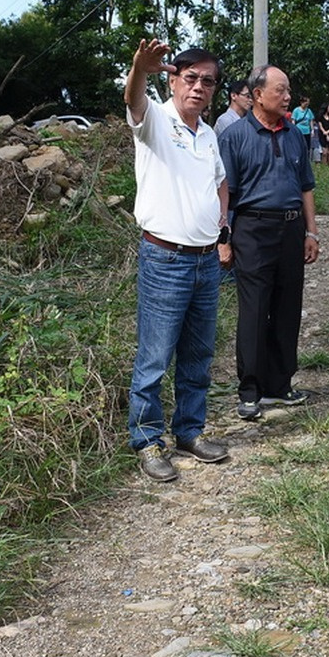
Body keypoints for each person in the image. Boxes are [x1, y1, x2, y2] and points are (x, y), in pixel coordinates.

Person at [124, 39, 232, 481]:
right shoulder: (154, 119)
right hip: (164, 258)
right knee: (154, 355)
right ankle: (148, 442)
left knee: (198, 353)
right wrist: (139, 70)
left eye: (208, 81)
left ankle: (190, 430)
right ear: (173, 80)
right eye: (191, 78)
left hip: (207, 261)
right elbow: (133, 100)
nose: (199, 87)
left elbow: (220, 182)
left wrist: (221, 223)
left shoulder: (207, 133)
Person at [218, 65, 320, 421]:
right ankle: (250, 389)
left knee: (288, 307)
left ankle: (280, 384)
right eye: (280, 90)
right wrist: (224, 239)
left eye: (288, 90)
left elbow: (306, 185)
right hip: (252, 230)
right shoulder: (234, 137)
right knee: (254, 309)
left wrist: (311, 232)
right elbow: (224, 193)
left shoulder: (294, 134)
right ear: (257, 94)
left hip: (291, 230)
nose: (287, 96)